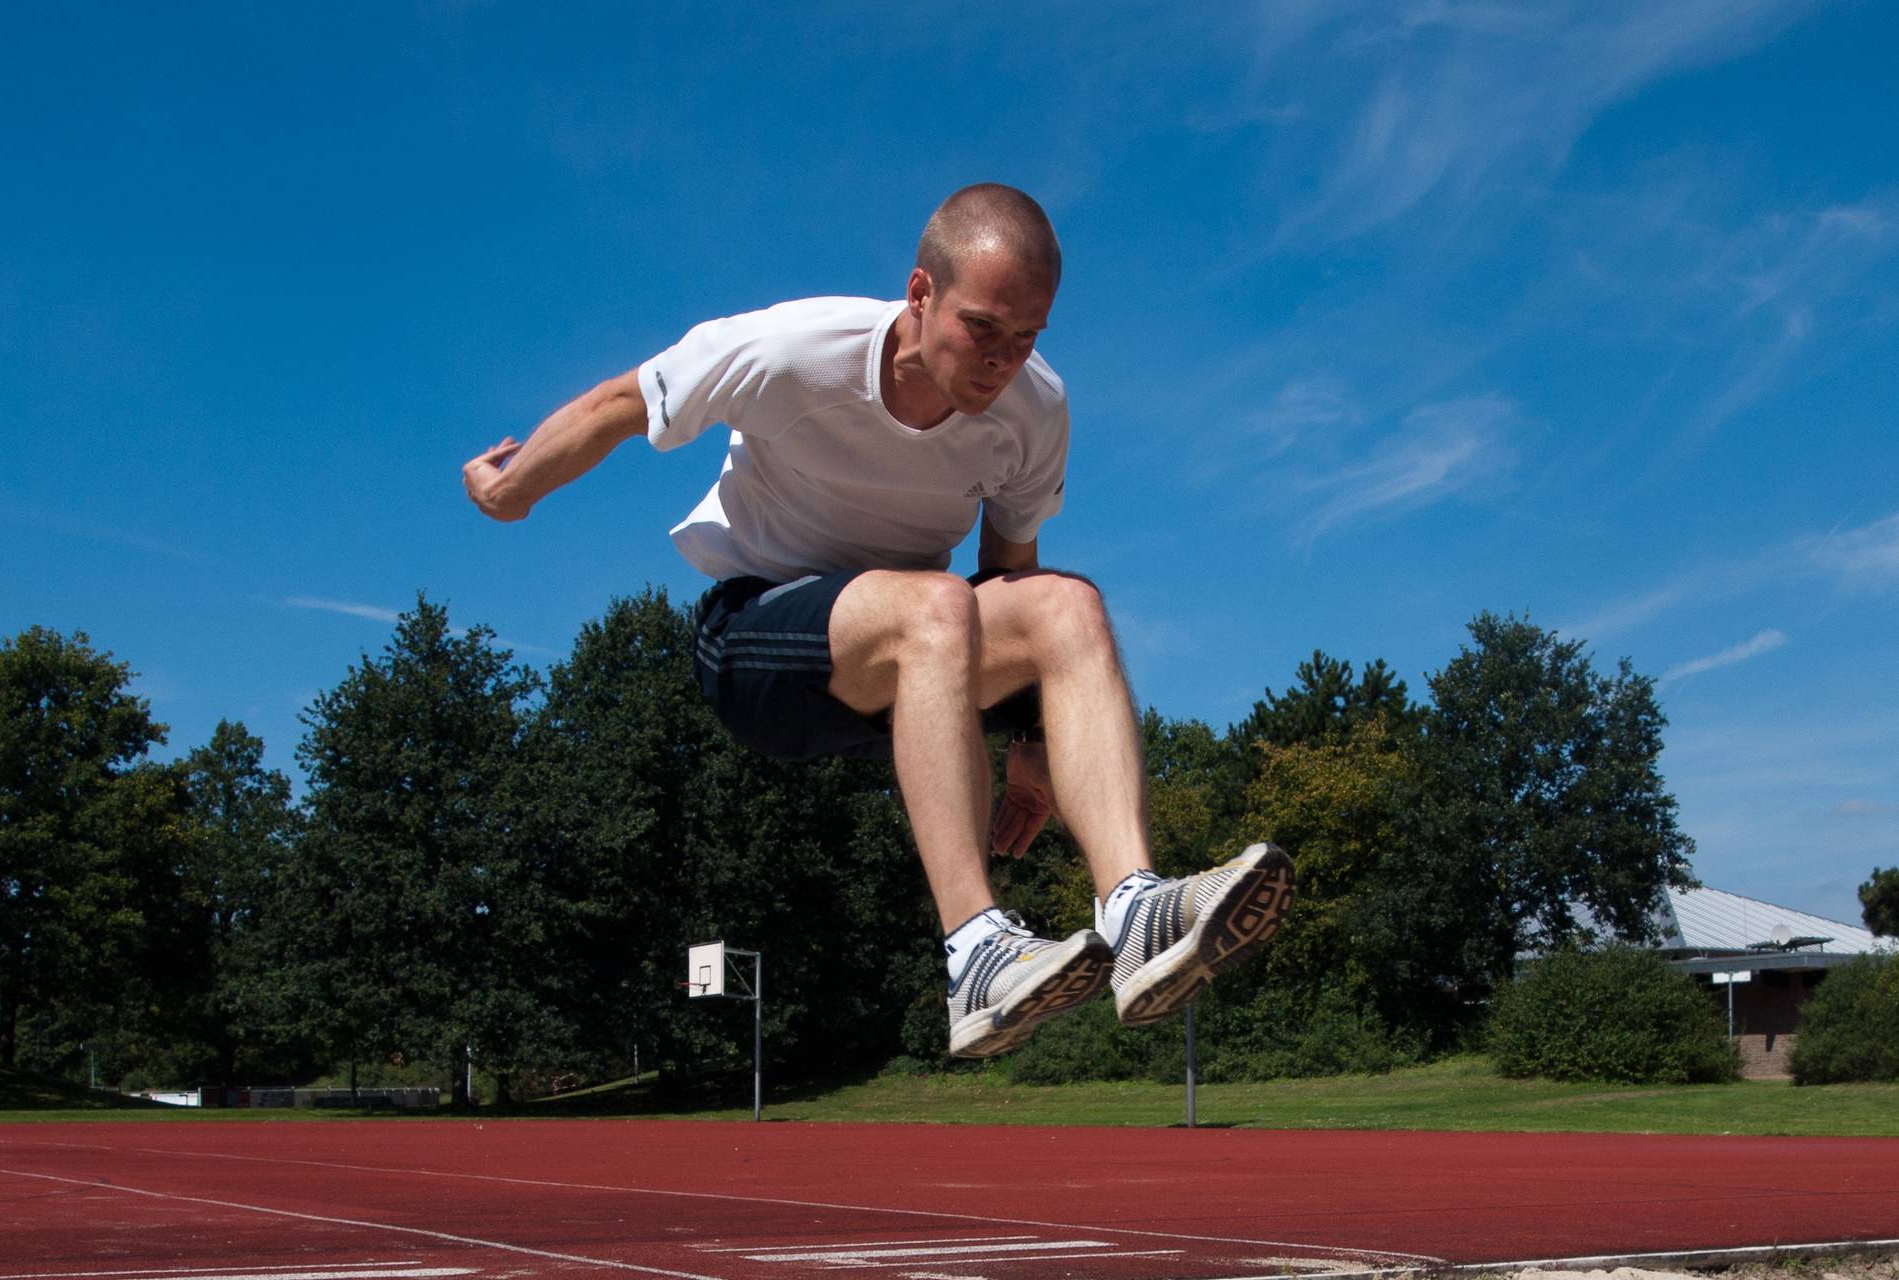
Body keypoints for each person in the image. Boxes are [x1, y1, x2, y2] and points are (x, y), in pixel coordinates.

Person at [461, 183, 1291, 1059]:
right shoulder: (789, 350)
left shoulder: (1035, 411)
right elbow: (618, 408)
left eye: (1027, 339)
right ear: (920, 294)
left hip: (904, 667)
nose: (1002, 362)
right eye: (982, 328)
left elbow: (1011, 580)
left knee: (1068, 603)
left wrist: (1032, 743)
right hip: (753, 645)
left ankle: (1136, 910)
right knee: (932, 602)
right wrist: (510, 493)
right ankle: (975, 951)